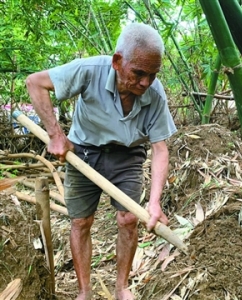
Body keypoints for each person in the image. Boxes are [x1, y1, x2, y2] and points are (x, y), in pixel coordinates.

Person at [25, 23, 176, 300]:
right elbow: (35, 83)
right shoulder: (89, 70)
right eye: (139, 73)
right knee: (81, 222)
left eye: (153, 75)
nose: (145, 82)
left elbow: (160, 148)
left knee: (129, 218)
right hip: (83, 151)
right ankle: (84, 291)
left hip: (128, 154)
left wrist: (154, 202)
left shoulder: (155, 94)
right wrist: (56, 135)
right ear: (118, 62)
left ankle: (121, 287)